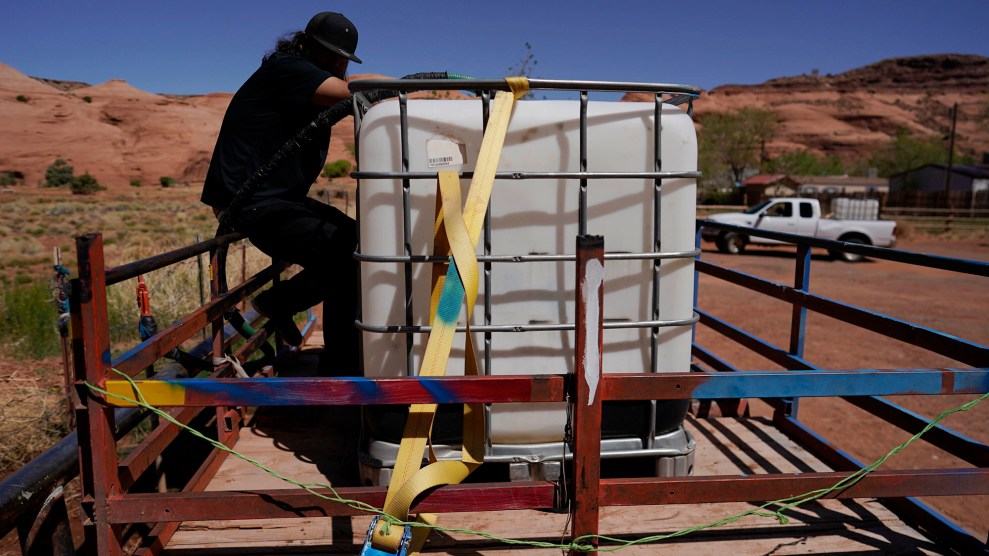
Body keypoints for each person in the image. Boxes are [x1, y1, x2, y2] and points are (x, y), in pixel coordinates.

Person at [201, 12, 362, 376]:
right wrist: (403, 86)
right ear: (305, 44)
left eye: (343, 59)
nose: (338, 64)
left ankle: (339, 358)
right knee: (349, 255)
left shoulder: (307, 80)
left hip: (276, 199)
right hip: (249, 203)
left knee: (360, 244)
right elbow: (356, 89)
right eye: (331, 55)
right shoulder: (288, 69)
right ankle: (276, 305)